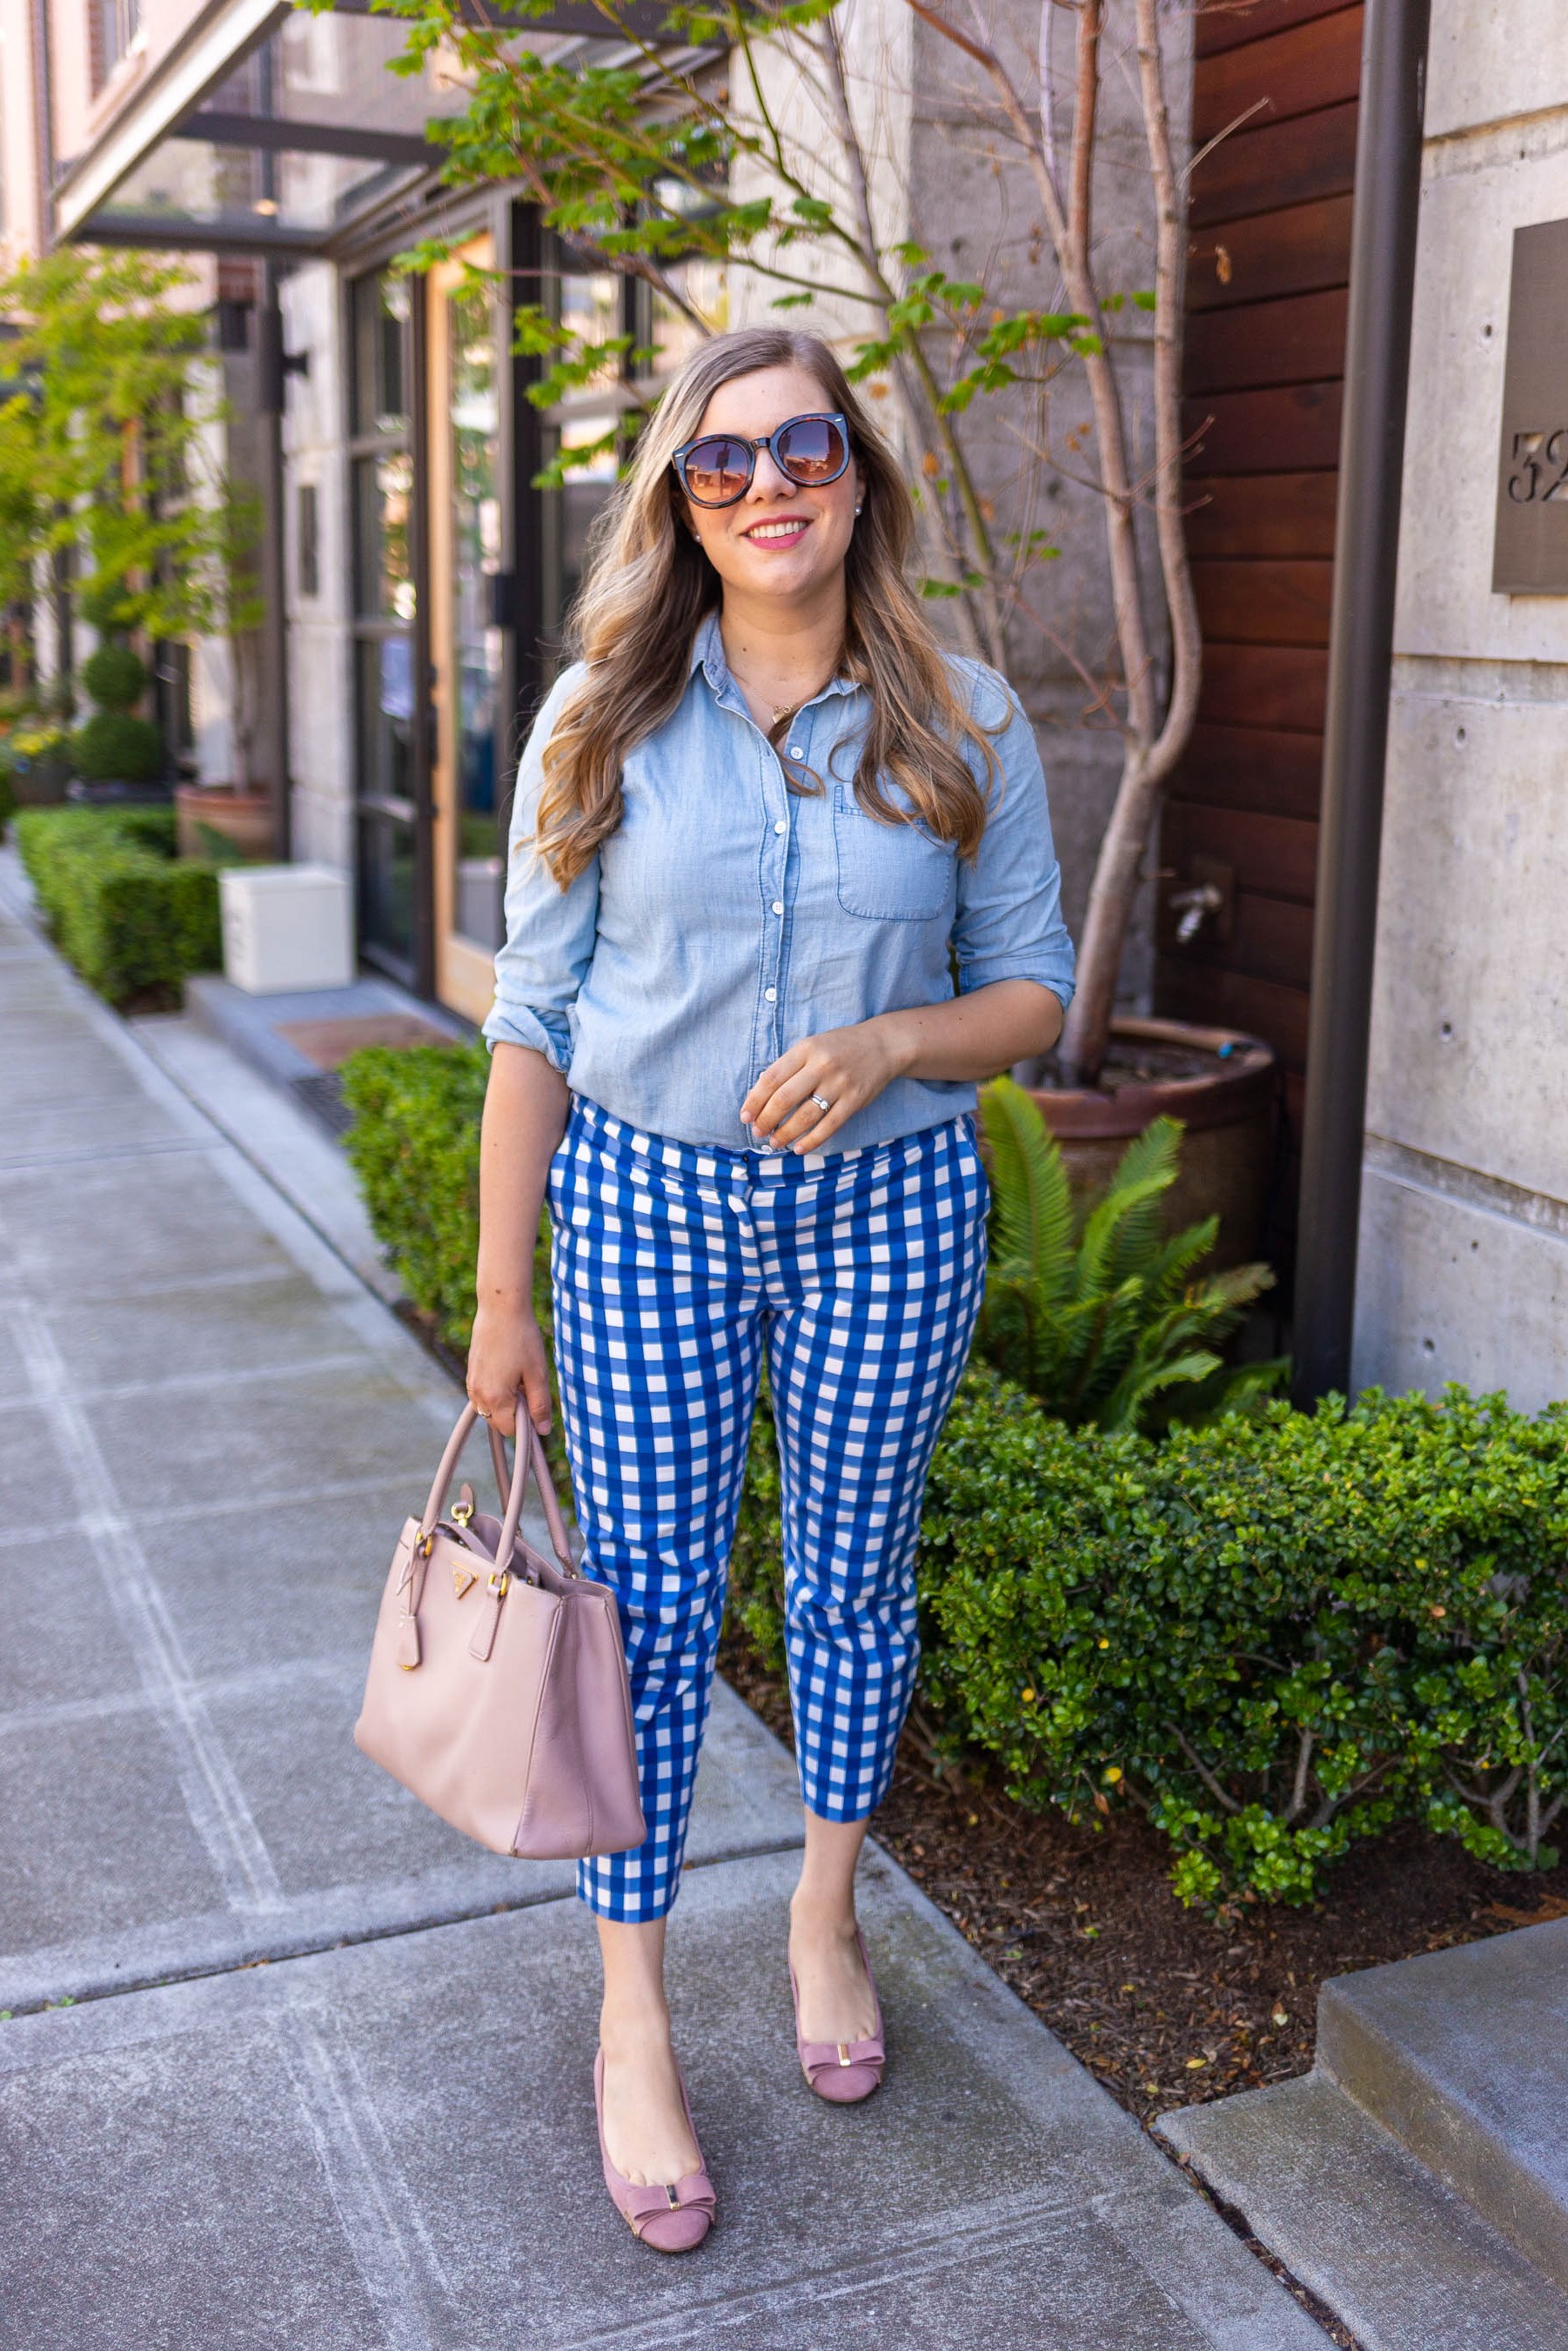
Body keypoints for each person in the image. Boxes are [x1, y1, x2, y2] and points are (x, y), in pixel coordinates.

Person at [467, 325, 1075, 2251]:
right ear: (676, 500)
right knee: (641, 1623)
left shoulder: (965, 716)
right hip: (646, 1205)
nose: (766, 485)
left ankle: (822, 1915)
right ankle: (630, 2020)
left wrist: (899, 1046)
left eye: (799, 446)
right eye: (717, 464)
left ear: (856, 473)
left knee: (850, 1574)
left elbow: (1037, 992)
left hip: (888, 1208)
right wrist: (504, 1300)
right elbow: (532, 1023)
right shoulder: (598, 723)